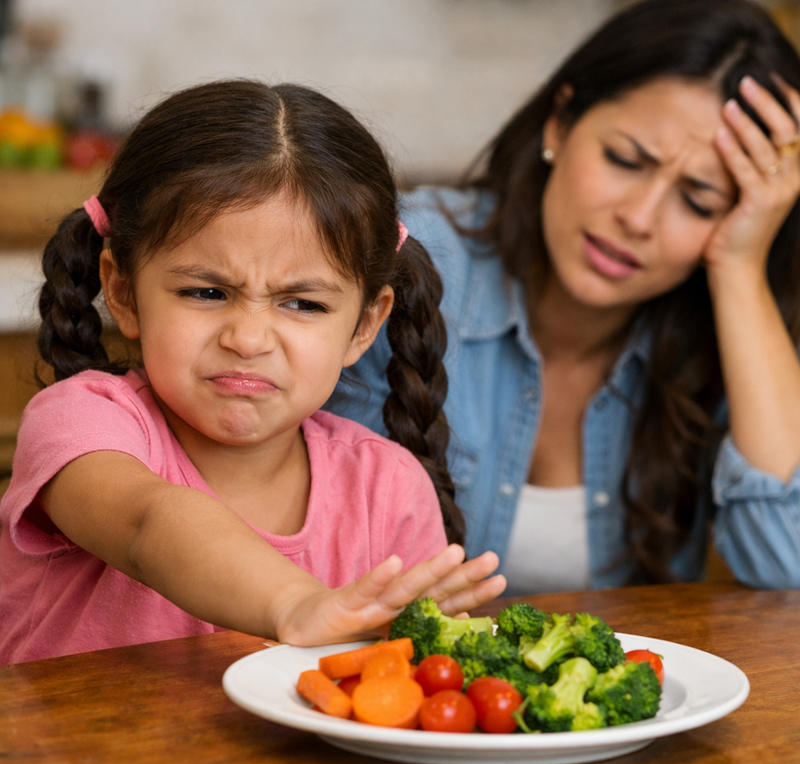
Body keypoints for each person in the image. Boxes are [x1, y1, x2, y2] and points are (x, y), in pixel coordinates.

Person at [0, 80, 506, 665]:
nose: (248, 339)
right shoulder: (82, 425)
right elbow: (150, 524)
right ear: (124, 292)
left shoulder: (387, 488)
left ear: (365, 326)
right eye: (207, 291)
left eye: (303, 304)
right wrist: (295, 604)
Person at [329, 0, 800, 594]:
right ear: (561, 122)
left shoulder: (732, 328)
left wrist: (739, 266)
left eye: (699, 201)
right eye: (625, 160)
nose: (638, 217)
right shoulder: (401, 257)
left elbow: (789, 573)